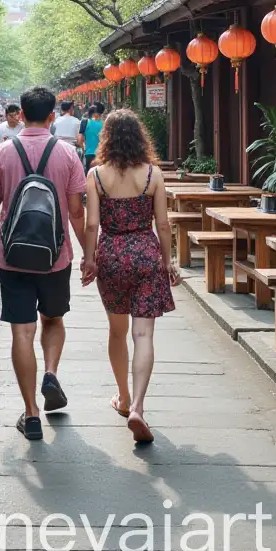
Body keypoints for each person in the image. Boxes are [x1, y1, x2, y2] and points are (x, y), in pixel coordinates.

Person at [0, 87, 87, 441]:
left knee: (21, 331)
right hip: (56, 256)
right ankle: (51, 373)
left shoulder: (3, 152)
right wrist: (90, 253)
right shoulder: (68, 154)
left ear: (20, 114)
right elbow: (75, 211)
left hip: (12, 255)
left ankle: (31, 413)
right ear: (52, 116)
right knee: (53, 319)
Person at [82, 108, 179, 444]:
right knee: (143, 336)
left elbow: (91, 223)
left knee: (116, 330)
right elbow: (163, 224)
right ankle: (138, 405)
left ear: (106, 137)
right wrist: (168, 262)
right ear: (140, 137)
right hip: (146, 254)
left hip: (111, 255)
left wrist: (88, 260)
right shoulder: (153, 175)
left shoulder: (96, 176)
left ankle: (122, 397)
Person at [79, 103, 105, 172]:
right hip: (101, 154)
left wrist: (83, 149)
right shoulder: (104, 124)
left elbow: (79, 140)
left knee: (89, 176)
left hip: (89, 154)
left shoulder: (85, 122)